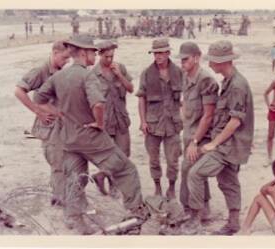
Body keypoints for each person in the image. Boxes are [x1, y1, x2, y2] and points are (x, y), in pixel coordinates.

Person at [33, 35, 144, 235]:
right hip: (91, 138)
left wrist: (58, 113)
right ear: (83, 53)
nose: (95, 54)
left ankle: (76, 219)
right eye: (93, 51)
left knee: (75, 179)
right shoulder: (87, 75)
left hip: (69, 139)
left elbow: (38, 98)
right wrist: (99, 124)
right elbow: (99, 104)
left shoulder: (59, 76)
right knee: (127, 170)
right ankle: (136, 214)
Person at [185, 40, 254, 235]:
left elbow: (235, 121)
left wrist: (214, 143)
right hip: (230, 143)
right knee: (228, 182)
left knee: (195, 173)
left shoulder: (237, 85)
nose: (209, 64)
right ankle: (233, 223)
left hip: (227, 145)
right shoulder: (229, 81)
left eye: (213, 61)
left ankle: (195, 219)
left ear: (223, 62)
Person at [14, 40, 71, 207]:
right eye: (64, 57)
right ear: (54, 53)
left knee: (64, 162)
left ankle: (60, 195)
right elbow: (19, 91)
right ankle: (60, 199)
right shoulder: (40, 71)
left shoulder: (60, 71)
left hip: (61, 125)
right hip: (49, 127)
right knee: (57, 163)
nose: (67, 61)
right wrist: (37, 111)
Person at [136, 38, 183, 199]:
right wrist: (142, 121)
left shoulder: (178, 72)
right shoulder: (147, 74)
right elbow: (141, 98)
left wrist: (183, 115)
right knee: (154, 159)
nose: (158, 56)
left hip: (173, 124)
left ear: (168, 53)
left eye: (162, 52)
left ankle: (171, 186)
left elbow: (187, 97)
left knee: (173, 160)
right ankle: (157, 186)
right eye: (156, 53)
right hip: (153, 124)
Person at [178, 41, 219, 219]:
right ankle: (204, 208)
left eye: (185, 59)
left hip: (202, 136)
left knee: (188, 170)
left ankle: (194, 211)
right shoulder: (186, 75)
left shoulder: (206, 79)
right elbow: (185, 102)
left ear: (196, 58)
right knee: (194, 170)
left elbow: (208, 115)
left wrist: (195, 142)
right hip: (189, 132)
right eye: (181, 59)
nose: (182, 63)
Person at [91, 40, 134, 187]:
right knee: (108, 155)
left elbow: (131, 89)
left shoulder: (120, 68)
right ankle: (111, 185)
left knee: (123, 154)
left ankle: (102, 175)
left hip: (121, 120)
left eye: (112, 56)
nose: (109, 60)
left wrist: (120, 75)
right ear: (99, 55)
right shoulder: (93, 75)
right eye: (106, 57)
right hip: (105, 122)